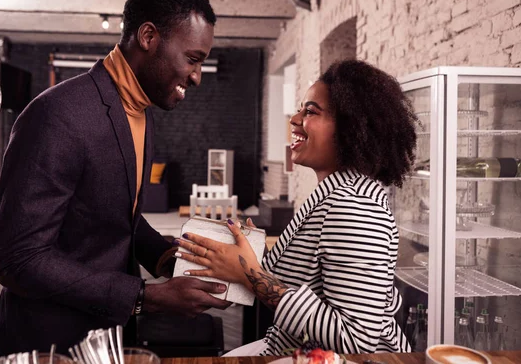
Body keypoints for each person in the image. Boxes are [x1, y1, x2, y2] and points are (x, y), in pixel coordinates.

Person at [0, 0, 231, 358]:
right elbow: (19, 258)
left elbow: (122, 216)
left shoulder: (144, 112)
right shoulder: (57, 114)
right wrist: (144, 297)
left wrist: (171, 260)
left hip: (110, 339)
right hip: (46, 343)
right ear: (149, 37)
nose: (197, 76)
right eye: (193, 59)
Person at [176, 60, 418, 355]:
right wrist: (252, 255)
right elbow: (306, 279)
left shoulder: (355, 209)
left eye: (311, 111)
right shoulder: (333, 195)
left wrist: (250, 273)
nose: (294, 119)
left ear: (351, 129)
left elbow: (356, 341)